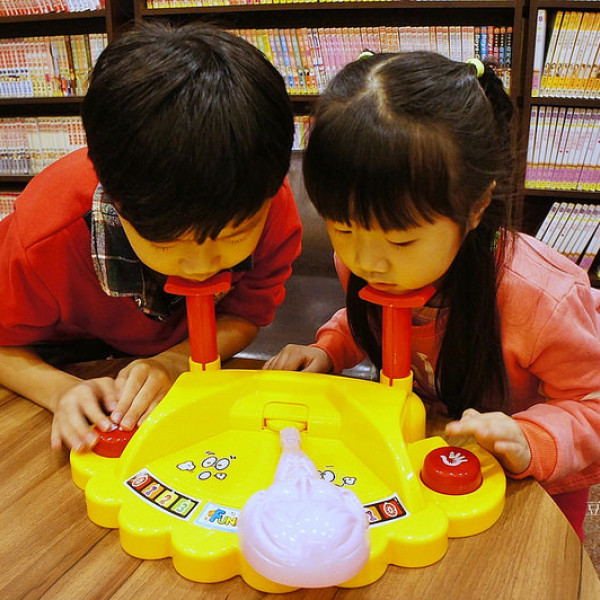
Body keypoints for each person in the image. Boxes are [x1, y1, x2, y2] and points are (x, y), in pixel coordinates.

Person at [264, 51, 600, 540]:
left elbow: (592, 403)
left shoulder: (541, 298)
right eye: (342, 227)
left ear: (476, 206)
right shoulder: (361, 262)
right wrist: (330, 348)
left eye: (401, 240)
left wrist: (530, 438)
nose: (369, 262)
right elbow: (369, 319)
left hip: (534, 478)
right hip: (432, 447)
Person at [0, 22, 301, 452]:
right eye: (164, 243)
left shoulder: (265, 203)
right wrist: (59, 390)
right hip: (66, 359)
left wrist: (173, 361)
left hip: (181, 362)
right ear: (116, 201)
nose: (202, 267)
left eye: (234, 235)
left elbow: (245, 315)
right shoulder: (45, 236)